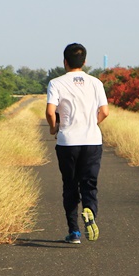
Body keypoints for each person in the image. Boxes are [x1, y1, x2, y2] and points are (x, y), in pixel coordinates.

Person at [45, 43, 109, 244]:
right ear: (85, 61)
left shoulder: (56, 83)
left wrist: (54, 127)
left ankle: (74, 232)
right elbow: (105, 111)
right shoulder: (95, 82)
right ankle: (90, 210)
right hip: (92, 141)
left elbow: (49, 111)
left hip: (67, 142)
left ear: (64, 61)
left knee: (70, 185)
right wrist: (91, 123)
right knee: (89, 183)